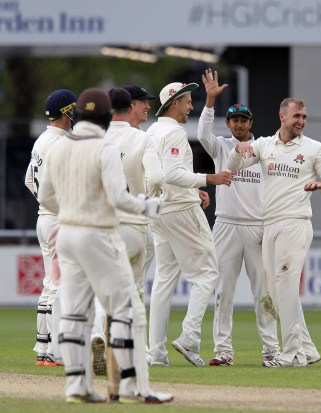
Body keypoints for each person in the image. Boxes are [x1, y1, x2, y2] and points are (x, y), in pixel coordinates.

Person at [38, 87, 172, 404]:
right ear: (106, 117)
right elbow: (118, 198)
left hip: (67, 235)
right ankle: (132, 387)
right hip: (97, 234)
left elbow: (44, 196)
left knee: (75, 313)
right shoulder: (104, 148)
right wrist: (147, 206)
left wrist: (71, 210)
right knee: (127, 310)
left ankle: (77, 386)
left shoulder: (58, 147)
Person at [227, 97, 321, 368]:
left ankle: (292, 354)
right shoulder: (264, 145)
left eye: (304, 117)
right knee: (276, 293)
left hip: (296, 223)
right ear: (282, 117)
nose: (301, 121)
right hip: (270, 223)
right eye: (296, 116)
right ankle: (308, 349)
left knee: (286, 284)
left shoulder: (313, 148)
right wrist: (238, 149)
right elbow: (234, 166)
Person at [146, 81, 233, 367]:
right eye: (187, 102)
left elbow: (161, 175)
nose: (190, 107)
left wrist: (193, 189)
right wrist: (208, 179)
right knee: (207, 273)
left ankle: (156, 353)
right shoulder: (174, 132)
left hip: (159, 210)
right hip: (180, 210)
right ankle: (190, 338)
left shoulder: (152, 131)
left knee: (163, 280)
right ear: (174, 103)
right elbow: (172, 174)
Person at [197, 69, 279, 366]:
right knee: (224, 291)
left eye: (244, 120)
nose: (239, 124)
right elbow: (201, 134)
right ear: (228, 123)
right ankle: (223, 351)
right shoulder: (221, 146)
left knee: (263, 292)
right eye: (234, 120)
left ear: (251, 123)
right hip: (226, 225)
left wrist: (269, 226)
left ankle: (271, 350)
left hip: (256, 226)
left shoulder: (264, 149)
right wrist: (210, 100)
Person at [25, 88, 77, 367]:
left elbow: (29, 181)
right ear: (66, 112)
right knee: (60, 284)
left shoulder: (42, 140)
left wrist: (45, 203)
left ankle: (43, 348)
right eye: (74, 109)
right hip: (58, 220)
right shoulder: (60, 143)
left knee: (50, 283)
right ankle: (53, 350)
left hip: (44, 217)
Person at [122, 85, 159, 299]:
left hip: (105, 221)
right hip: (134, 221)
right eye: (143, 102)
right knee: (133, 287)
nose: (148, 106)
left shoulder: (103, 135)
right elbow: (155, 179)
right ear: (130, 106)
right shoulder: (142, 139)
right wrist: (147, 204)